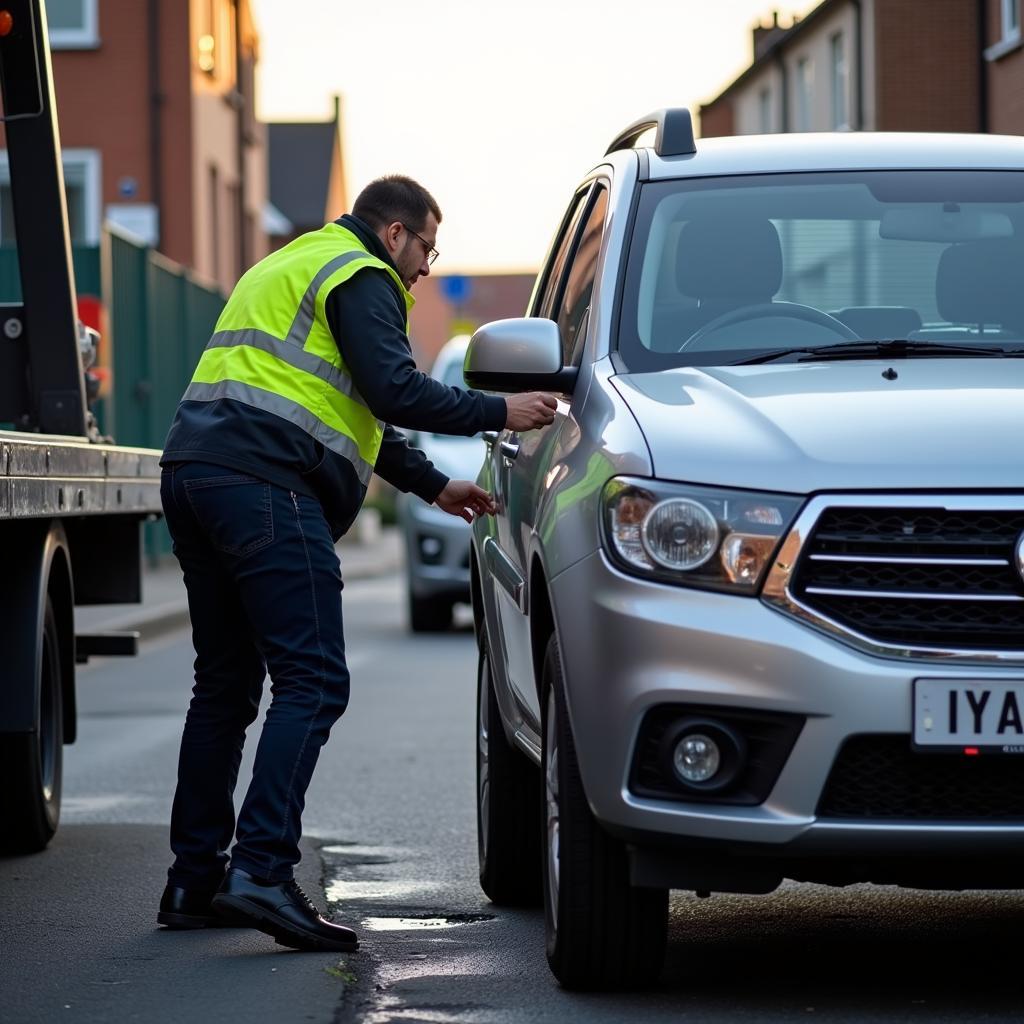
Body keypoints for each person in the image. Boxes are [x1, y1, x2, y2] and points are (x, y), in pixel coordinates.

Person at [155, 175, 557, 952]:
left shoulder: (297, 261)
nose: (427, 272)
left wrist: (437, 484)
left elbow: (354, 412)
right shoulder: (362, 272)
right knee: (314, 679)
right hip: (265, 484)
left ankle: (193, 880)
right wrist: (497, 410)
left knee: (225, 686)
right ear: (397, 232)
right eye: (428, 250)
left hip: (198, 472)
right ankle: (262, 872)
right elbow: (396, 389)